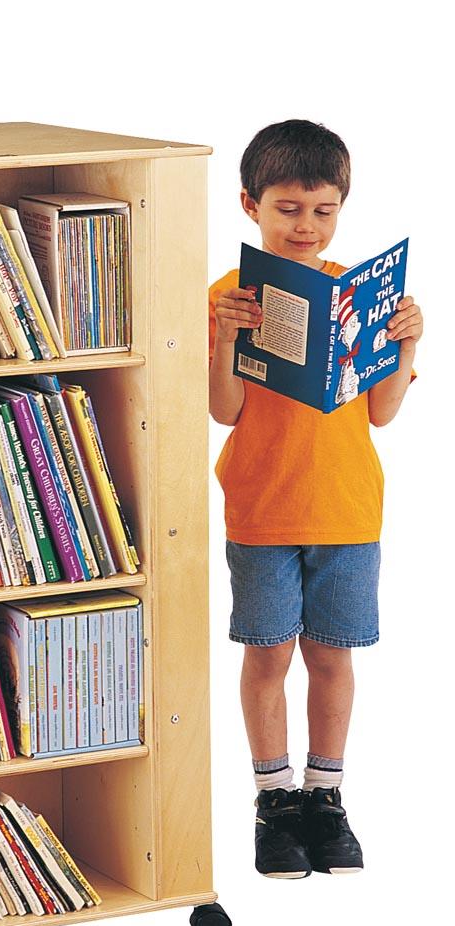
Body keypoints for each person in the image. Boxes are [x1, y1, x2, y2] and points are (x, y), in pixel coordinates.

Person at [208, 120, 423, 878]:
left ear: (340, 209)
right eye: (289, 208)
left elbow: (384, 411)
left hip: (348, 508)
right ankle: (273, 800)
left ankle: (324, 797)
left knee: (332, 655)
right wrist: (225, 342)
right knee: (266, 653)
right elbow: (224, 411)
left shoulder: (358, 297)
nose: (306, 225)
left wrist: (406, 345)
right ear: (250, 204)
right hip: (263, 511)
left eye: (322, 210)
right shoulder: (228, 298)